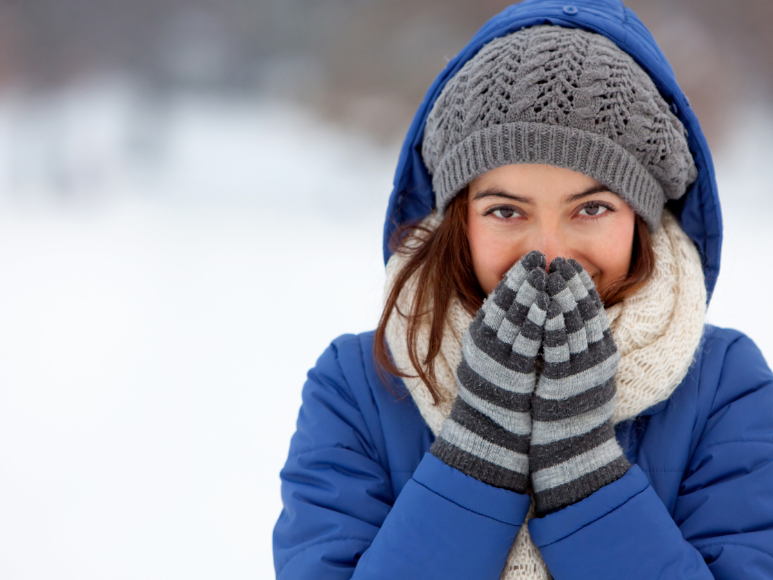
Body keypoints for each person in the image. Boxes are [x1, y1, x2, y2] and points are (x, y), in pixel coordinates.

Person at [273, 0, 773, 578]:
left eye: (591, 208)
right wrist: (475, 462)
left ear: (642, 216)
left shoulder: (724, 387)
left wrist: (587, 482)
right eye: (507, 210)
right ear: (459, 219)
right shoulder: (362, 385)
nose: (550, 252)